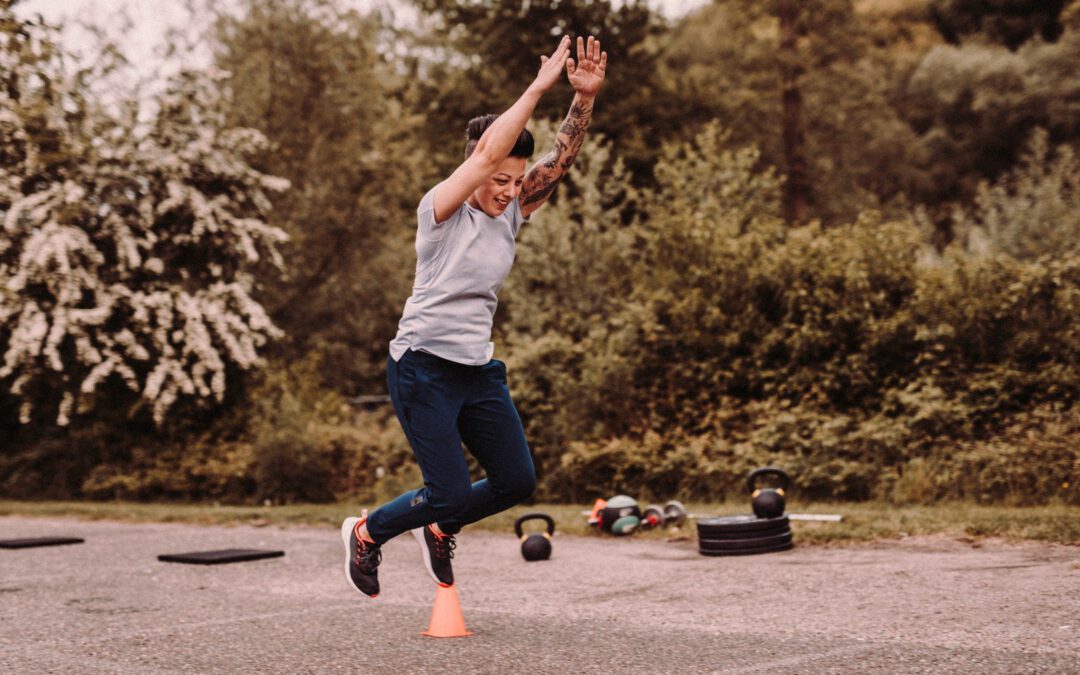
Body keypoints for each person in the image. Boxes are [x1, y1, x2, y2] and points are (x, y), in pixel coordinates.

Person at [341, 34, 608, 598]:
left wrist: (582, 100)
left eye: (516, 181)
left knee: (516, 480)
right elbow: (488, 154)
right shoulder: (440, 211)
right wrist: (539, 85)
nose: (510, 192)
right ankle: (368, 531)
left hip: (475, 370)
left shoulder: (510, 211)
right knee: (450, 490)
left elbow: (559, 160)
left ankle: (440, 527)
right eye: (499, 180)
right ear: (473, 170)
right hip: (422, 368)